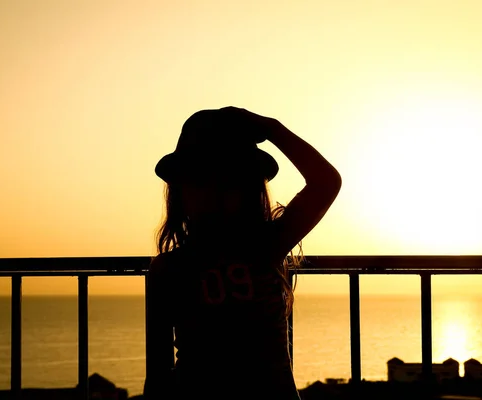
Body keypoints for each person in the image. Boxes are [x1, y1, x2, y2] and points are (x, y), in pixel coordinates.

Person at [144, 106, 342, 400]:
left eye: (229, 181)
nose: (214, 192)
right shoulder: (168, 269)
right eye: (200, 180)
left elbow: (326, 183)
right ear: (181, 192)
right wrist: (271, 129)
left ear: (249, 190)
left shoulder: (268, 243)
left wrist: (273, 128)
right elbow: (158, 372)